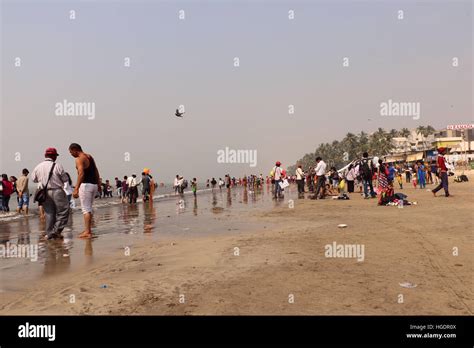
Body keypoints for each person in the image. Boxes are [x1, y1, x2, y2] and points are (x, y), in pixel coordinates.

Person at [31, 147, 70, 239]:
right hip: (57, 190)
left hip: (44, 192)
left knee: (49, 213)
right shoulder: (57, 165)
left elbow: (34, 179)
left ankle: (49, 233)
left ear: (45, 155)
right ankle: (56, 231)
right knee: (63, 211)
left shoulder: (38, 166)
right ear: (54, 156)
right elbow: (65, 179)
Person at [69, 143, 101, 239]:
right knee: (89, 208)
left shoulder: (79, 159)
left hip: (86, 186)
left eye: (71, 152)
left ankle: (87, 232)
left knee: (86, 209)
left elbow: (81, 174)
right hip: (94, 185)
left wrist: (76, 188)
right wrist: (98, 184)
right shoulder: (89, 156)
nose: (71, 154)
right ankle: (88, 229)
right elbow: (96, 170)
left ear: (75, 150)